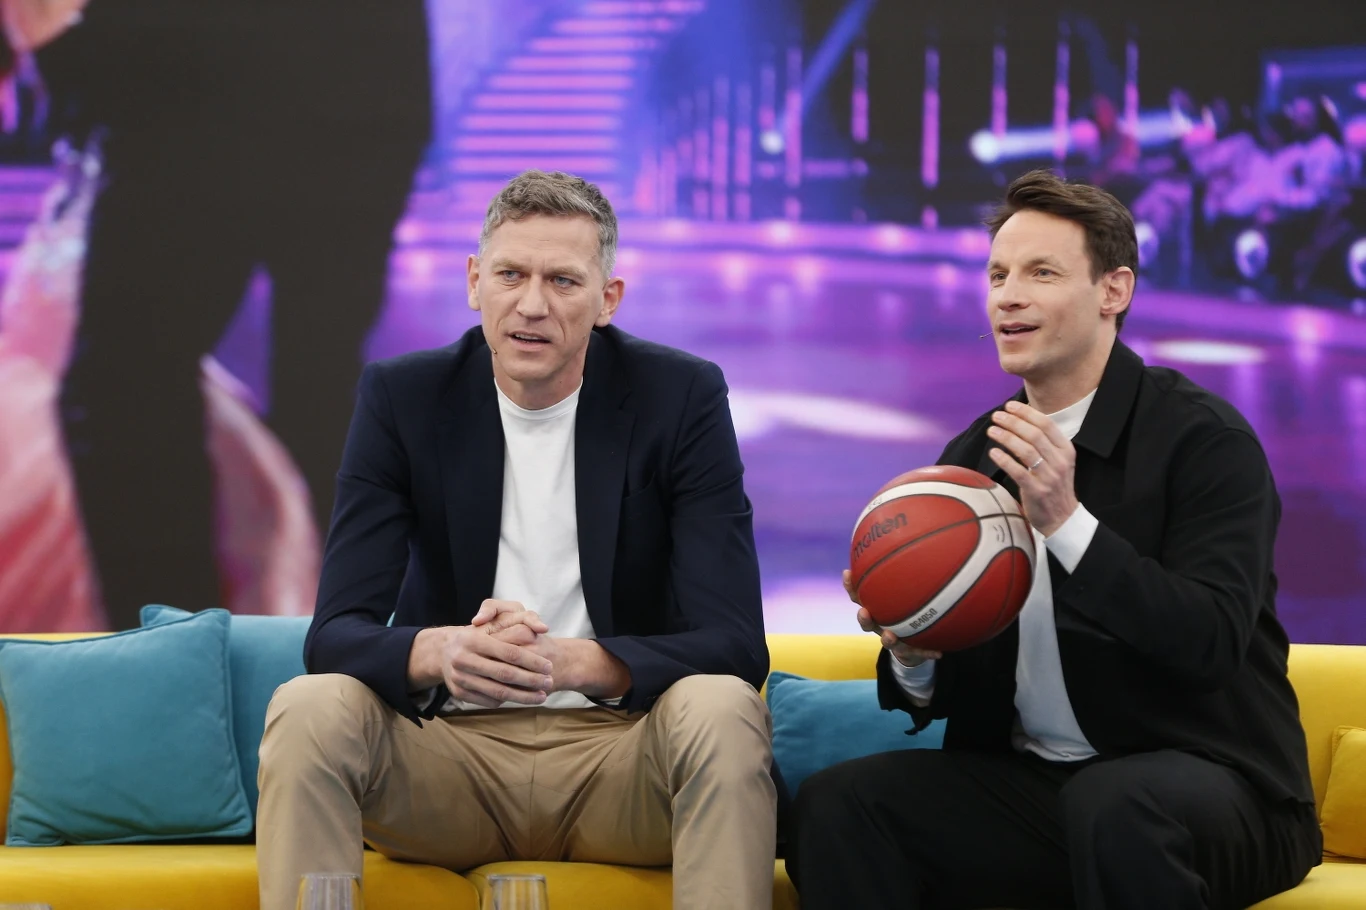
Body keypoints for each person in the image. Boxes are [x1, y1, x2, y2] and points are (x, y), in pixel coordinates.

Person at [787, 169, 1321, 910]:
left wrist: (1067, 523)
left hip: (1221, 789)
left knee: (1117, 804)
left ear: (1114, 291)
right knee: (841, 805)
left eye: (1041, 273)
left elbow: (1210, 642)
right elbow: (946, 699)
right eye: (998, 275)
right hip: (1047, 793)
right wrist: (912, 650)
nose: (1008, 296)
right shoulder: (971, 463)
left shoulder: (1203, 439)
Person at [255, 170, 776, 910]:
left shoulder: (681, 397)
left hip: (622, 764)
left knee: (722, 706)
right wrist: (443, 652)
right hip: (447, 770)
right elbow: (334, 635)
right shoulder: (404, 397)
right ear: (475, 282)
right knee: (311, 705)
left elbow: (736, 645)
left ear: (607, 300)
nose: (532, 305)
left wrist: (574, 663)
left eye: (563, 281)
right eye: (510, 275)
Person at [34, 0, 432, 627]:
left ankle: (179, 659)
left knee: (128, 389)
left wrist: (64, 48)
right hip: (364, 78)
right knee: (317, 390)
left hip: (203, 77)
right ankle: (368, 645)